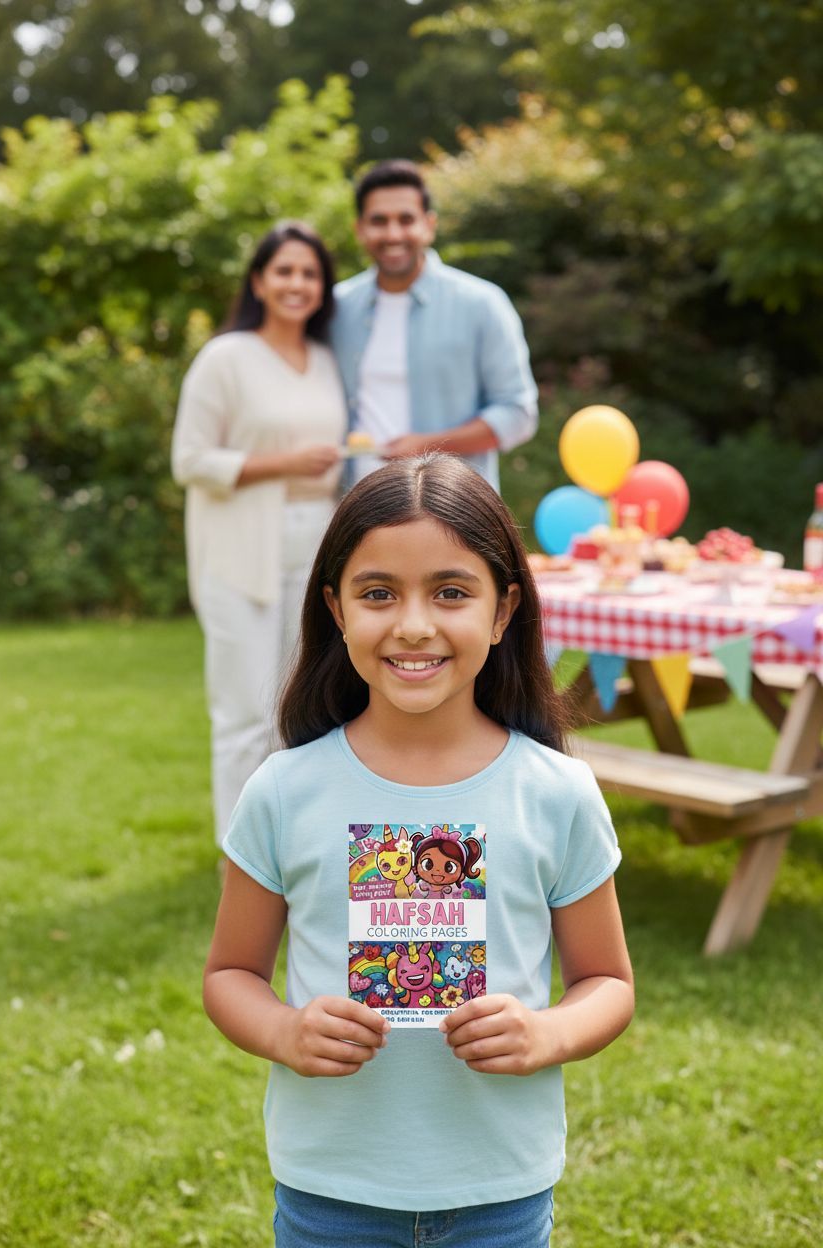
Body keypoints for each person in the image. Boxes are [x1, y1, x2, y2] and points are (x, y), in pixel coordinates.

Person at [204, 453, 634, 1247]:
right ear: (335, 607)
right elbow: (230, 975)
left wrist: (547, 1034)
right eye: (378, 594)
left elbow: (606, 982)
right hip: (330, 1188)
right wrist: (283, 1032)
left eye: (450, 591)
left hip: (498, 1189)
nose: (412, 624)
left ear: (504, 611)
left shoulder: (555, 793)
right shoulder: (284, 790)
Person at [172, 221, 346, 847]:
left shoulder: (326, 360)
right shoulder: (226, 357)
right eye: (285, 271)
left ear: (323, 288)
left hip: (315, 546)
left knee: (298, 705)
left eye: (310, 273)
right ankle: (236, 856)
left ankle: (285, 847)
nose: (297, 283)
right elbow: (188, 460)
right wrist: (282, 464)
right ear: (259, 282)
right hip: (239, 551)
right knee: (244, 713)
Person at [330, 158, 539, 491]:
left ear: (429, 225)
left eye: (406, 219)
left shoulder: (482, 303)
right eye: (379, 221)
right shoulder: (336, 307)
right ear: (360, 229)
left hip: (453, 514)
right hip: (356, 513)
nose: (393, 233)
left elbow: (518, 415)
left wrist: (429, 447)